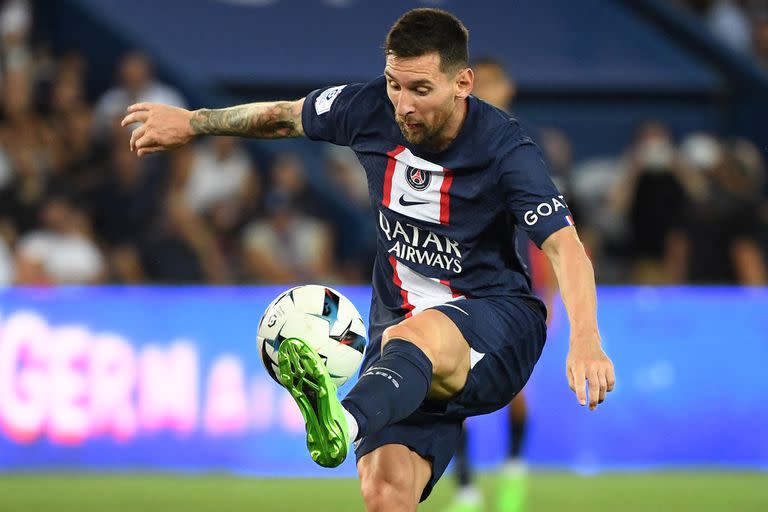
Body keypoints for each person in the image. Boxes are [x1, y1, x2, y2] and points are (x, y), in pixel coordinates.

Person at [121, 8, 615, 510]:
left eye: (420, 90)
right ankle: (357, 423)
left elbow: (565, 247)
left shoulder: (506, 149)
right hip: (401, 346)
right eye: (394, 85)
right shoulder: (368, 109)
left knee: (411, 337)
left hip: (499, 323)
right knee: (384, 491)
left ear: (463, 82)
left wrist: (586, 340)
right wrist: (193, 123)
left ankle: (343, 420)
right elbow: (284, 117)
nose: (403, 105)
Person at [445, 56, 537, 512]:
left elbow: (553, 237)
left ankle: (515, 471)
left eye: (497, 83)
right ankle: (464, 486)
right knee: (450, 391)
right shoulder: (450, 148)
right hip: (453, 290)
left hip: (506, 294)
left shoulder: (517, 151)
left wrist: (552, 300)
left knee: (515, 391)